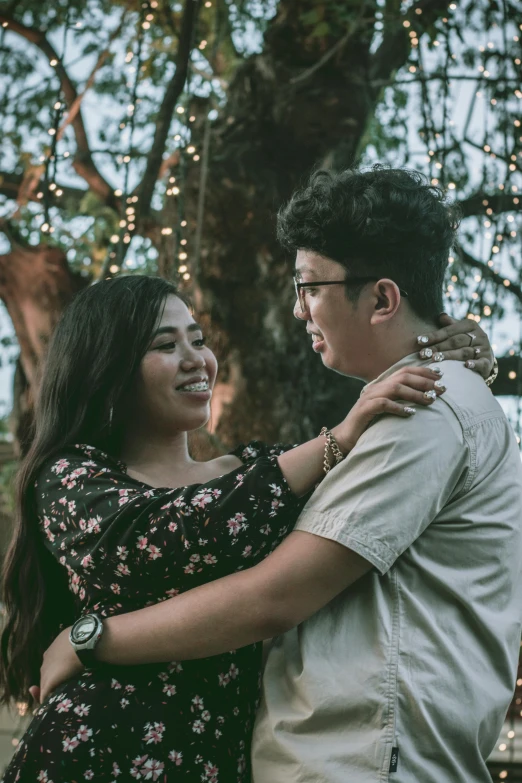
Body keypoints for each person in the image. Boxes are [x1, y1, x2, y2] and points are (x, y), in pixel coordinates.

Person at [29, 167, 518, 783]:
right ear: (108, 370)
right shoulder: (78, 477)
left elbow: (272, 594)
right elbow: (172, 534)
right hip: (103, 753)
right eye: (162, 345)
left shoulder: (407, 415)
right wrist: (343, 433)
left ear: (383, 298)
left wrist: (88, 638)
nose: (196, 359)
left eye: (309, 286)